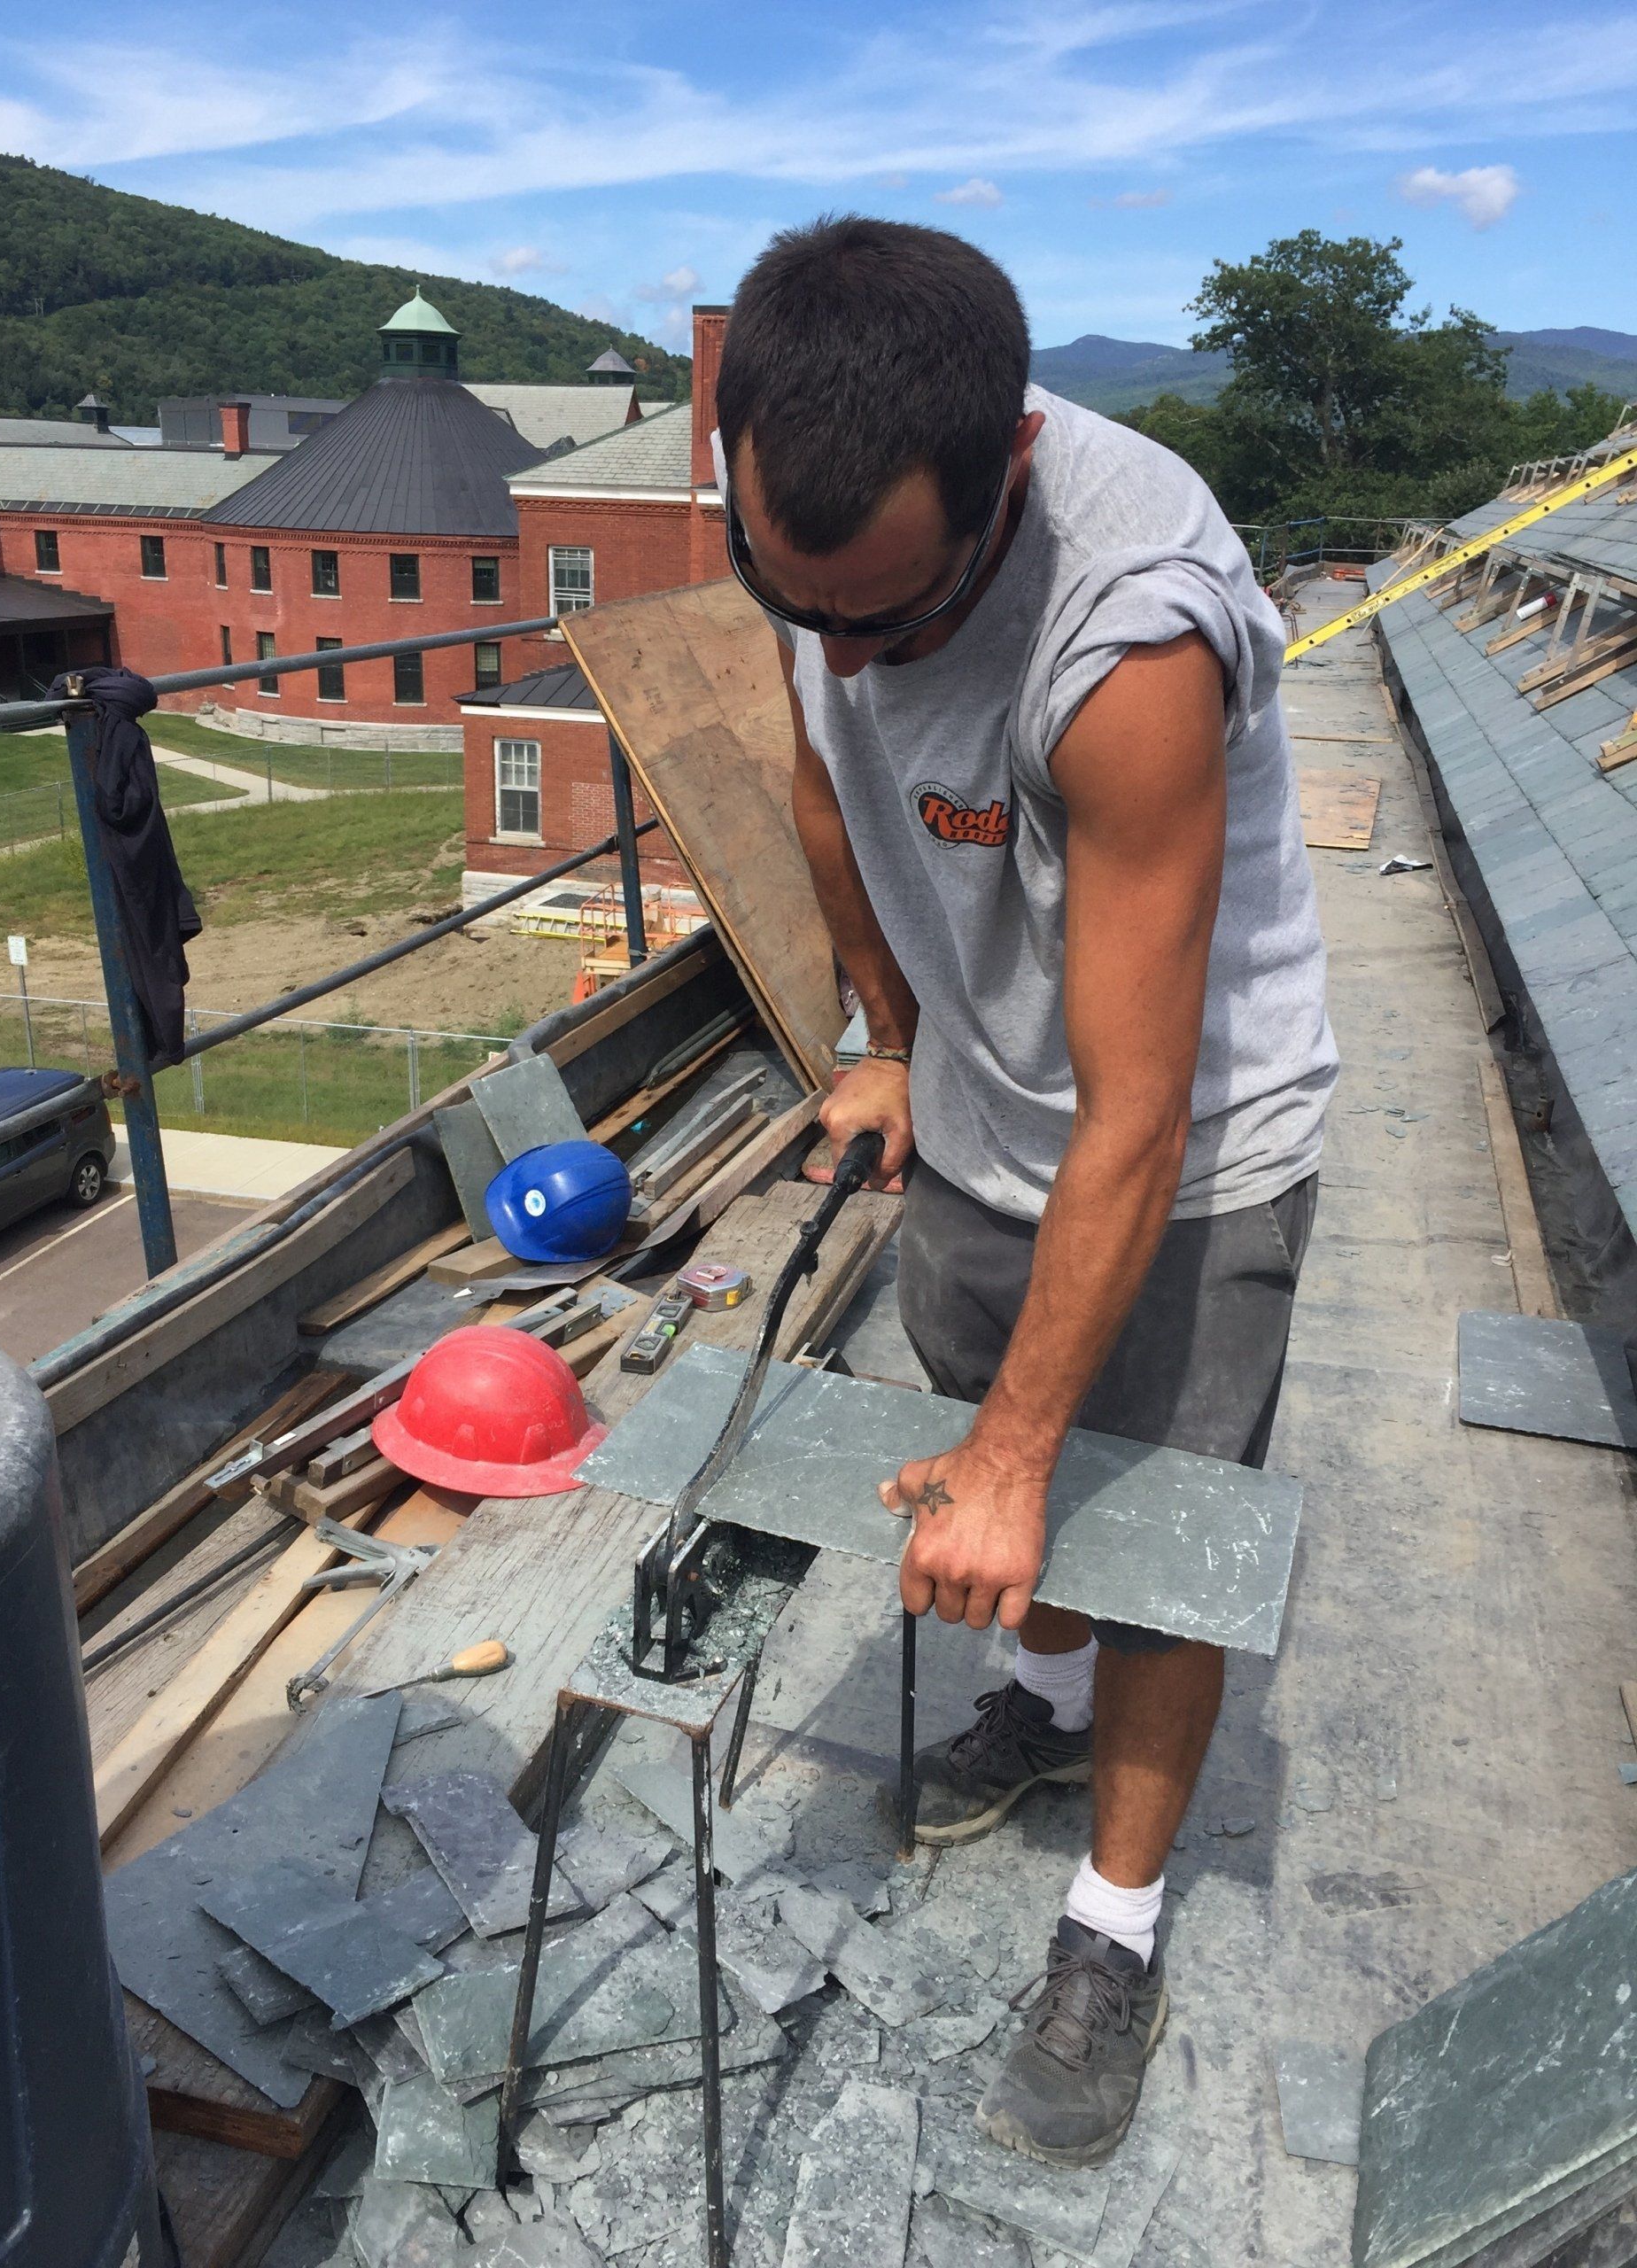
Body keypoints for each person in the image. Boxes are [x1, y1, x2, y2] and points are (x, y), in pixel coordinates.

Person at [714, 216, 1337, 2166]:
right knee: (1006, 1474)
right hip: (976, 1096)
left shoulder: (1128, 637)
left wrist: (1020, 1446)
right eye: (801, 601)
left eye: (898, 619)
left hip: (1189, 1138)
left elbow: (1138, 1108)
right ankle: (1039, 1707)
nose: (852, 654)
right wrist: (882, 1029)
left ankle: (1116, 1923)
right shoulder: (811, 526)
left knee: (1143, 1523)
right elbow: (824, 765)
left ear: (1006, 477)